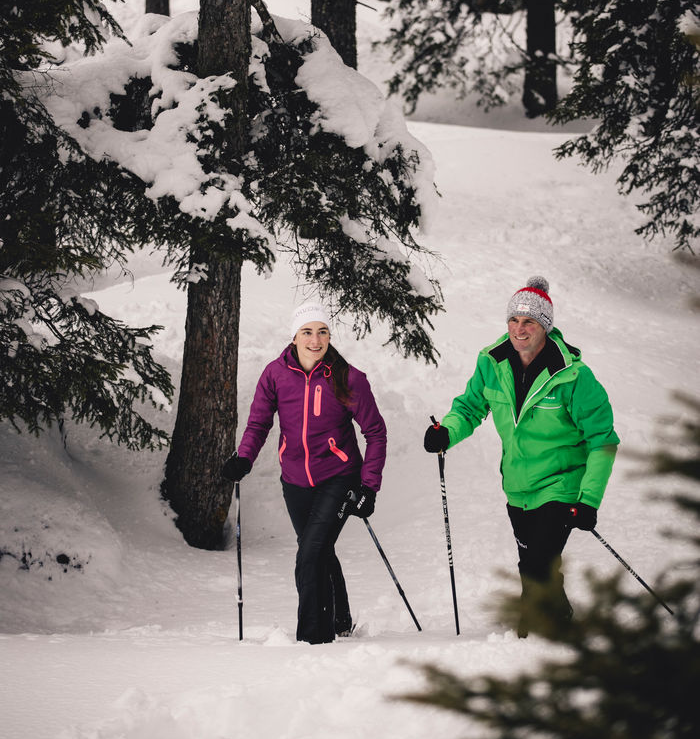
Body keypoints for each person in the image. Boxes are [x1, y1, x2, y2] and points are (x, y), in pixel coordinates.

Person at [424, 275, 619, 637]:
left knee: (539, 562)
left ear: (545, 326)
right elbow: (469, 407)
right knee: (532, 561)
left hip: (562, 483)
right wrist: (446, 432)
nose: (519, 328)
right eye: (514, 320)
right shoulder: (492, 363)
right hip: (517, 485)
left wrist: (588, 499)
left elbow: (602, 441)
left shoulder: (574, 377)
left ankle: (531, 635)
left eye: (529, 321)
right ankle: (559, 620)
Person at [222, 300, 387, 644]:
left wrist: (369, 486)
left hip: (339, 476)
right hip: (295, 480)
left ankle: (314, 638)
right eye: (307, 332)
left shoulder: (347, 378)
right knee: (319, 550)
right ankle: (340, 619)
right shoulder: (275, 374)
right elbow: (258, 423)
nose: (316, 340)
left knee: (310, 553)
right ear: (294, 336)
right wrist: (245, 458)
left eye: (322, 332)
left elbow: (375, 432)